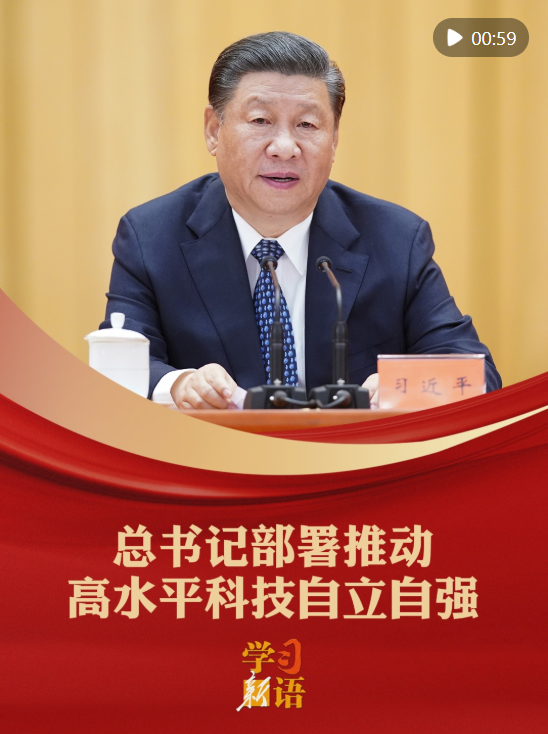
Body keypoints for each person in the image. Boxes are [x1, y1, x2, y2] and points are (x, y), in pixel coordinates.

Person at [101, 31, 501, 409]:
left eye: (307, 125)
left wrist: (403, 386)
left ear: (334, 139)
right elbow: (119, 368)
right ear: (213, 130)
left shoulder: (396, 240)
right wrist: (179, 385)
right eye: (260, 121)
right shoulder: (151, 238)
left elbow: (478, 375)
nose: (284, 147)